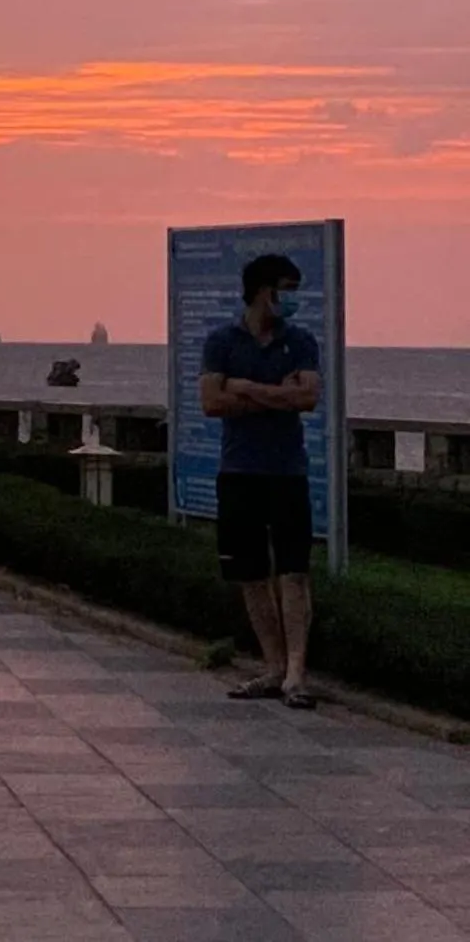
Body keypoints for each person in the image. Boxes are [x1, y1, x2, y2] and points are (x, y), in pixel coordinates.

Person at [201, 251, 322, 708]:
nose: (292, 300)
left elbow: (307, 397)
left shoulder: (301, 341)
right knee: (250, 574)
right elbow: (211, 403)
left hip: (287, 471)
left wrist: (246, 388)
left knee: (294, 572)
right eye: (285, 290)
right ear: (261, 291)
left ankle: (296, 673)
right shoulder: (221, 342)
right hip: (238, 471)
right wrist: (278, 395)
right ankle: (272, 667)